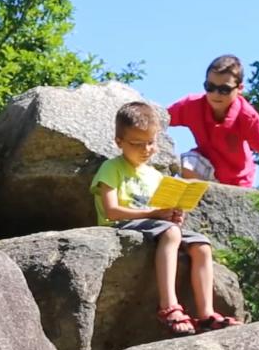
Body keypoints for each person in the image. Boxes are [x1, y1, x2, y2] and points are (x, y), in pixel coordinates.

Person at [90, 101, 242, 335]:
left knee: (201, 244)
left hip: (154, 225)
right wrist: (154, 215)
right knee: (170, 233)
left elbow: (159, 212)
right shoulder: (111, 168)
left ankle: (206, 314)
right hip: (122, 224)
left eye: (150, 142)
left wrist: (172, 215)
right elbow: (111, 211)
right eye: (137, 144)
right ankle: (169, 306)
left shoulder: (154, 175)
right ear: (119, 142)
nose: (145, 149)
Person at [168, 54, 259, 191]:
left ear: (239, 89)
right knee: (186, 162)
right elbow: (157, 119)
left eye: (224, 89)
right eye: (210, 87)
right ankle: (202, 201)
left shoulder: (247, 116)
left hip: (238, 182)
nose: (216, 94)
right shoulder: (192, 105)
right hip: (206, 170)